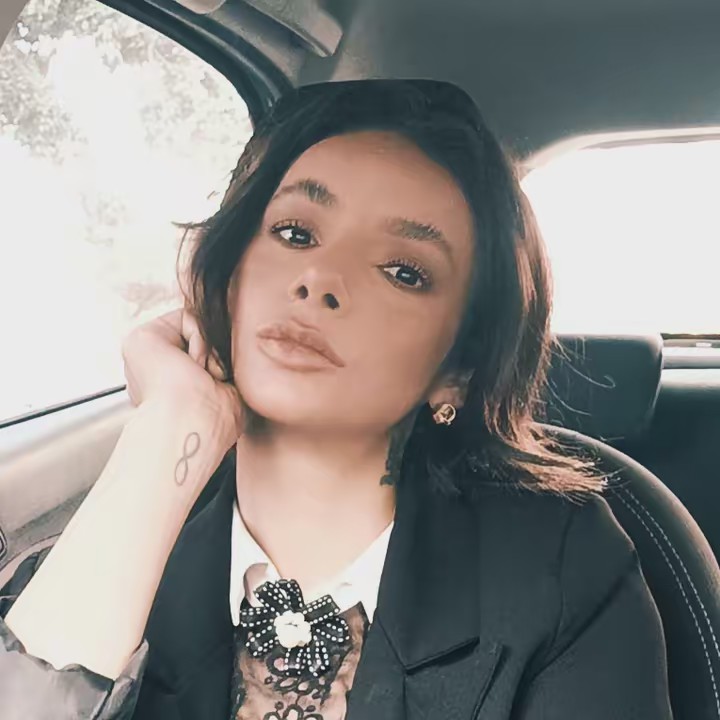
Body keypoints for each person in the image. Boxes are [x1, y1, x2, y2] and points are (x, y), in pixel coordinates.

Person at [0, 79, 673, 720]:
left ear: (458, 370)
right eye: (295, 234)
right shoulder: (109, 547)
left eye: (403, 272)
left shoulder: (559, 571)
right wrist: (171, 424)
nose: (320, 278)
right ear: (228, 276)